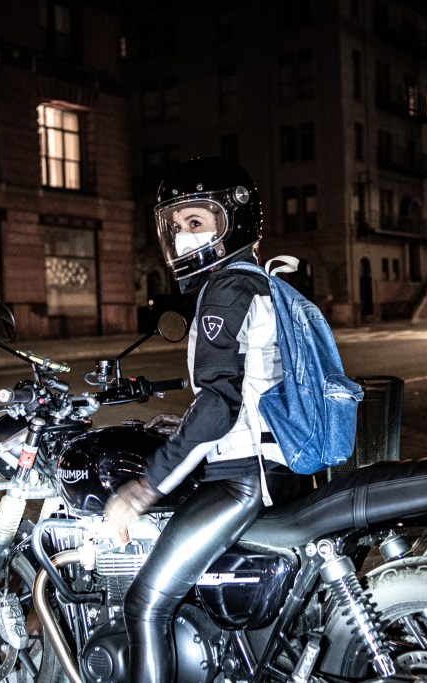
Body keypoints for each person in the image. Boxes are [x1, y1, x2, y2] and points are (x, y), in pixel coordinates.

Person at [104, 156, 309, 682]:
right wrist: (185, 425)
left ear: (233, 221)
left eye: (196, 223)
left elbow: (219, 407)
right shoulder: (264, 283)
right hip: (281, 468)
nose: (182, 238)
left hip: (242, 482)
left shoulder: (226, 290)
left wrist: (142, 489)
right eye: (175, 227)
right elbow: (250, 389)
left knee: (144, 605)